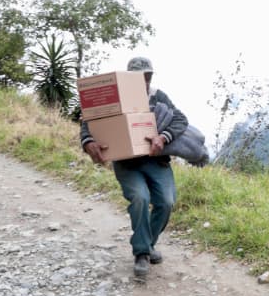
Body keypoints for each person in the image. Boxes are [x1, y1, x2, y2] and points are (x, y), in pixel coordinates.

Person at [80, 56, 189, 278]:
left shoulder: (158, 96)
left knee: (166, 202)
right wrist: (88, 142)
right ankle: (142, 253)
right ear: (128, 78)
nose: (145, 82)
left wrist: (163, 137)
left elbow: (180, 120)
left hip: (155, 160)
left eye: (148, 77)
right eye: (139, 78)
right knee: (140, 198)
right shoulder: (111, 98)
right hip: (127, 163)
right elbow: (88, 124)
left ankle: (147, 244)